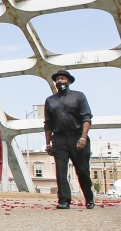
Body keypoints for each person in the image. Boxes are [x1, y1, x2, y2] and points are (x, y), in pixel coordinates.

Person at [44, 69, 95, 210]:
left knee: (83, 171)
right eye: (57, 79)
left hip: (77, 137)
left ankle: (89, 198)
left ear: (69, 81)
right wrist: (47, 144)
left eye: (62, 78)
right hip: (59, 139)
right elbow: (48, 123)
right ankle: (64, 200)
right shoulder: (50, 100)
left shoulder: (79, 96)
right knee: (61, 171)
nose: (60, 81)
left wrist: (83, 137)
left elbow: (86, 117)